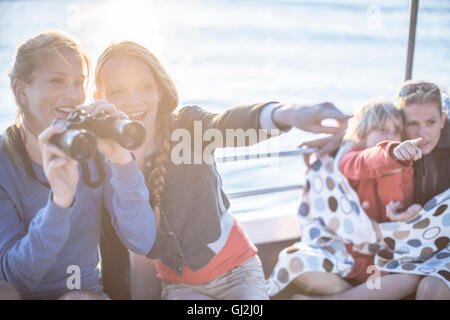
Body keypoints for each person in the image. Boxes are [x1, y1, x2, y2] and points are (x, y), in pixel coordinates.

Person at [93, 40, 350, 300]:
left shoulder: (187, 126)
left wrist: (287, 114)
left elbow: (226, 125)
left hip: (239, 274)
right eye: (117, 91)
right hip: (181, 287)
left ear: (160, 91)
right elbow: (140, 241)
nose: (133, 100)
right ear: (99, 99)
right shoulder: (103, 162)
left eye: (145, 87)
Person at [0, 31, 156, 300]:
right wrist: (59, 204)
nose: (73, 95)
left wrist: (122, 163)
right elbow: (17, 277)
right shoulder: (5, 162)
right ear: (21, 91)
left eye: (78, 82)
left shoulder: (92, 151)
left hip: (81, 292)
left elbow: (142, 241)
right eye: (57, 82)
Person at [292, 100, 425, 300]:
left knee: (410, 280)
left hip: (382, 258)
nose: (392, 136)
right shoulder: (351, 157)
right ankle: (360, 295)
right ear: (362, 135)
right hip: (346, 256)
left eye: (396, 130)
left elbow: (397, 205)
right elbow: (367, 161)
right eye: (382, 129)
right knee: (295, 261)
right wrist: (391, 153)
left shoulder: (403, 165)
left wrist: (405, 214)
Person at [395, 80, 450, 300]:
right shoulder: (390, 141)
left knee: (431, 290)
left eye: (431, 122)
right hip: (410, 244)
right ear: (400, 123)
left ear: (443, 119)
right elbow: (361, 136)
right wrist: (342, 142)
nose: (422, 133)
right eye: (412, 124)